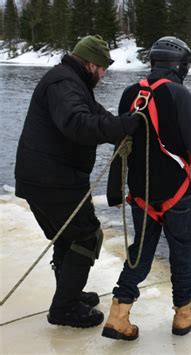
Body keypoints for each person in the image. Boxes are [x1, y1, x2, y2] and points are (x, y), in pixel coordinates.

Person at [103, 36, 191, 341]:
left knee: (140, 253)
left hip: (140, 195)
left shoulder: (129, 94)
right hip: (175, 196)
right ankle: (183, 314)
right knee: (181, 254)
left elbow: (119, 145)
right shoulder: (178, 94)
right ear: (181, 65)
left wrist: (115, 191)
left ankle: (118, 315)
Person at [14, 35, 140, 328]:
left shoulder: (71, 81)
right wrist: (121, 127)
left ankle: (68, 294)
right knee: (86, 236)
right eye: (103, 67)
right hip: (53, 181)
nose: (105, 73)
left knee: (67, 237)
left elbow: (96, 115)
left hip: (45, 178)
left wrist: (122, 125)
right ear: (91, 63)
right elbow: (76, 124)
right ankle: (65, 308)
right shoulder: (64, 84)